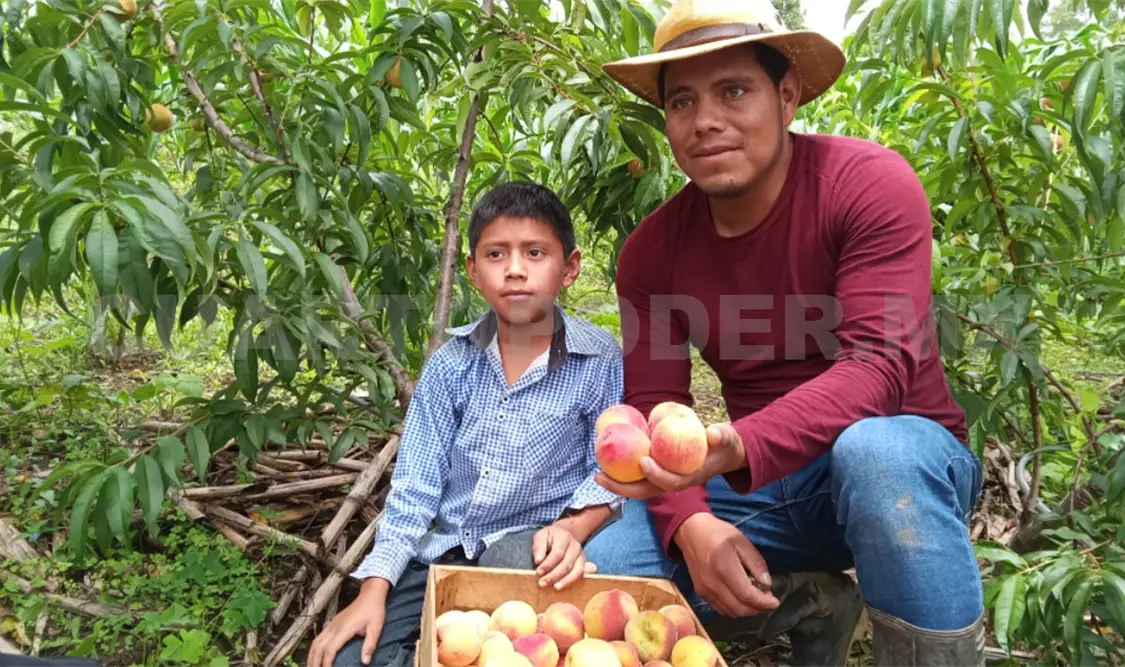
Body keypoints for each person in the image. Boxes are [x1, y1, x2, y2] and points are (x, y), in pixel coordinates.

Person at [584, 0, 986, 665]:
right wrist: (692, 522)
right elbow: (658, 403)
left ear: (787, 96)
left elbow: (878, 369)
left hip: (901, 468)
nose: (705, 120)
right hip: (764, 488)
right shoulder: (652, 252)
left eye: (733, 90)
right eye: (682, 101)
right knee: (607, 570)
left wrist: (737, 443)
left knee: (875, 453)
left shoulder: (865, 185)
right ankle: (812, 601)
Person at [307, 182, 625, 667]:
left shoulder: (598, 360)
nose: (515, 269)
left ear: (570, 267)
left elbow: (609, 468)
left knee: (505, 625)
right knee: (352, 659)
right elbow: (415, 487)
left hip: (532, 546)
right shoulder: (451, 365)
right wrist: (374, 588)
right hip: (444, 548)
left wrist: (574, 527)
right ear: (474, 271)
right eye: (496, 254)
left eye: (535, 253)